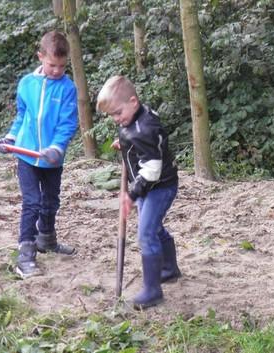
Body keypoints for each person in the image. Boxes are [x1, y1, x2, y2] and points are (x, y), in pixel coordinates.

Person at [0, 30, 78, 279]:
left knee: (51, 201)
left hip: (52, 159)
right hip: (27, 156)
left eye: (62, 66)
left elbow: (67, 123)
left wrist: (57, 147)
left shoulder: (67, 88)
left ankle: (47, 240)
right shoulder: (26, 84)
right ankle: (26, 254)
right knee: (32, 202)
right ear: (40, 57)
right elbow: (22, 116)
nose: (56, 70)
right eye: (52, 64)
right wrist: (10, 138)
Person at [96, 75, 181, 309]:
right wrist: (125, 143)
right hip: (150, 186)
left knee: (145, 234)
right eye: (112, 115)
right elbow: (138, 137)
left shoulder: (143, 129)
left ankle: (153, 291)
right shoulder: (138, 118)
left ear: (133, 101)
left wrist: (131, 194)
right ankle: (170, 269)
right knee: (153, 227)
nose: (116, 119)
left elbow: (152, 171)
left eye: (117, 113)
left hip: (159, 187)